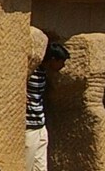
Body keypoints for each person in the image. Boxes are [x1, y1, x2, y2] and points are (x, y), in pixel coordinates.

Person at [29, 43, 70, 171]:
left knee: (40, 167)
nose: (62, 65)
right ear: (53, 59)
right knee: (26, 165)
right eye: (61, 61)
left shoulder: (43, 73)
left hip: (40, 125)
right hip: (29, 126)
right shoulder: (32, 72)